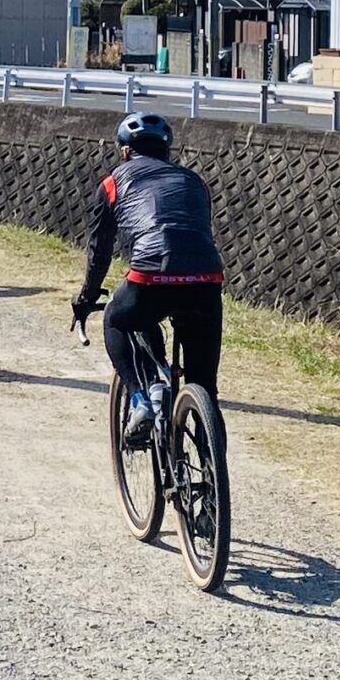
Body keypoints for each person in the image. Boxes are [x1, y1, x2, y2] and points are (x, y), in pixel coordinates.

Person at [68, 112, 224, 446]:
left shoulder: (112, 183)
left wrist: (87, 297)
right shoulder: (196, 182)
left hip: (151, 274)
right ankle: (213, 467)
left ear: (125, 151)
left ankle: (141, 399)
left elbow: (99, 251)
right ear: (167, 151)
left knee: (117, 318)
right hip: (207, 278)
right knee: (206, 388)